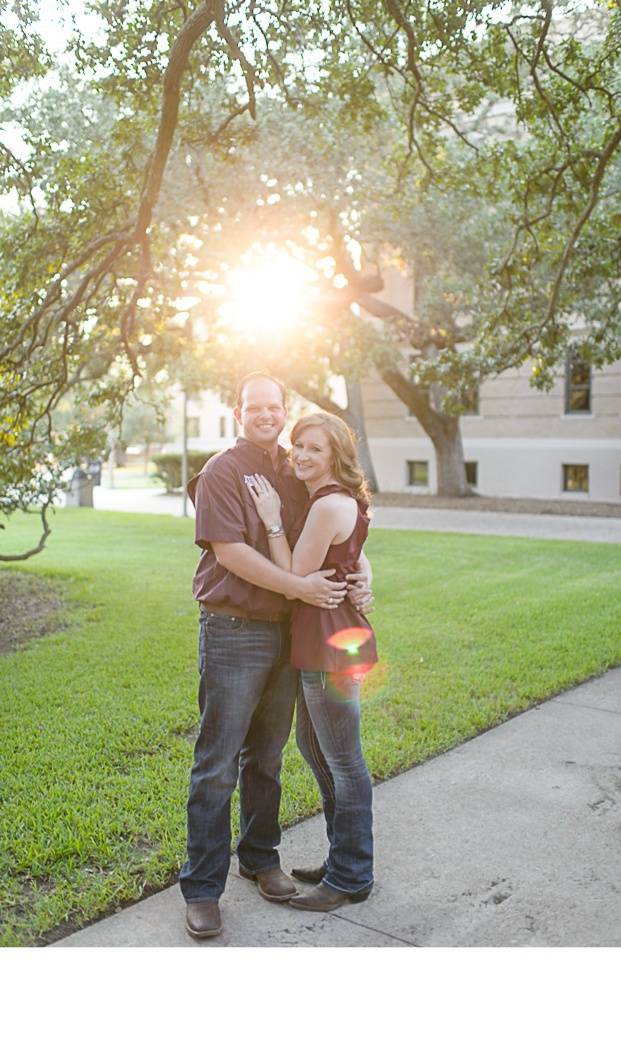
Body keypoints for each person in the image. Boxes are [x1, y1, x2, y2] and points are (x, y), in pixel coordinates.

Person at [180, 372, 370, 940]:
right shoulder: (222, 471)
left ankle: (261, 859)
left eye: (274, 406)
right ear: (239, 412)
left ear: (284, 410)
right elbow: (229, 550)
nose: (266, 414)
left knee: (268, 756)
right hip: (234, 630)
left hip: (292, 634)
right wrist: (299, 587)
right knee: (217, 762)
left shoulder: (296, 466)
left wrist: (361, 573)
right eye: (254, 406)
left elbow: (348, 523)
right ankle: (202, 888)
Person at [243, 411, 381, 912]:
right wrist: (364, 575)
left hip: (328, 641)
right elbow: (354, 554)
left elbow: (294, 573)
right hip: (327, 634)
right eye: (298, 444)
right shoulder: (339, 499)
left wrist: (272, 518)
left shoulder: (328, 505)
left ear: (335, 456)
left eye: (315, 448)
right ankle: (343, 857)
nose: (301, 454)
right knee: (316, 749)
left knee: (344, 761)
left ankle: (351, 874)